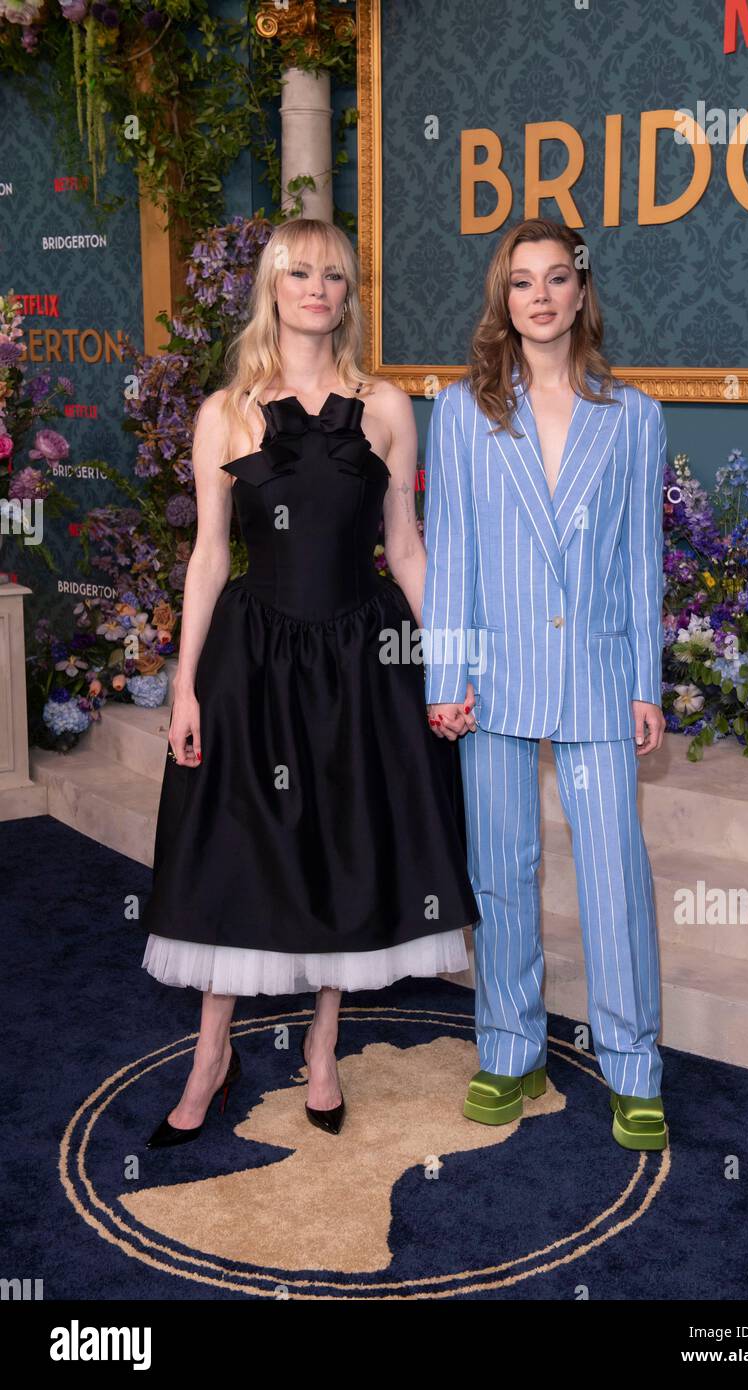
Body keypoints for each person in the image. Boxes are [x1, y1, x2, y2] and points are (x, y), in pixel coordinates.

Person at [139, 217, 478, 1145]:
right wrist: (185, 686)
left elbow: (407, 551)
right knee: (237, 848)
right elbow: (209, 559)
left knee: (339, 843)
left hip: (361, 660)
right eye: (299, 272)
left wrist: (449, 659)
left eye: (333, 273)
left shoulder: (390, 405)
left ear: (348, 292)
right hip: (250, 659)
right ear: (272, 288)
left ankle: (322, 1051)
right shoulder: (227, 411)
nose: (317, 287)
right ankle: (213, 1051)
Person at [422, 217, 669, 1150]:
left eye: (556, 278)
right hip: (493, 675)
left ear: (580, 291)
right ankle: (507, 1049)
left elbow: (642, 559)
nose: (540, 295)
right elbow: (449, 560)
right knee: (502, 870)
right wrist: (445, 672)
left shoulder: (634, 414)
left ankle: (634, 1066)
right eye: (522, 281)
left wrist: (645, 679)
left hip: (602, 673)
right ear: (504, 297)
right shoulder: (462, 410)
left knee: (614, 874)